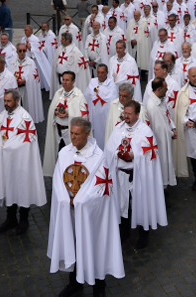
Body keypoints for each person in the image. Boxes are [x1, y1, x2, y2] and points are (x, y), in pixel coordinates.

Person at [47, 117, 124, 297]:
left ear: (87, 135)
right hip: (70, 212)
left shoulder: (99, 157)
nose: (73, 137)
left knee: (94, 246)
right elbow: (58, 180)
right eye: (71, 133)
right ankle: (75, 283)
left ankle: (99, 288)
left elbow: (102, 187)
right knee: (74, 243)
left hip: (91, 215)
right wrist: (65, 199)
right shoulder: (65, 153)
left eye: (77, 134)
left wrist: (80, 201)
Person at [104, 100, 168, 249]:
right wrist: (117, 153)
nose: (126, 116)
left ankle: (143, 234)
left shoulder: (145, 132)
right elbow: (109, 149)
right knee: (123, 205)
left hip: (138, 176)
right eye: (125, 113)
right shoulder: (119, 128)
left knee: (141, 204)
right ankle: (124, 232)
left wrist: (134, 155)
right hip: (121, 176)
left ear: (138, 115)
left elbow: (151, 153)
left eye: (129, 114)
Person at [0, 89, 47, 236]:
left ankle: (23, 220)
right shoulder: (3, 115)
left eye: (9, 101)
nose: (6, 104)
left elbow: (27, 140)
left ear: (17, 100)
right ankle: (11, 218)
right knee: (9, 186)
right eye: (5, 101)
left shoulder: (25, 118)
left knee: (21, 187)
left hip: (21, 161)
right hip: (5, 159)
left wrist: (7, 147)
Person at [42, 71, 89, 177]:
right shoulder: (58, 93)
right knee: (59, 155)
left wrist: (69, 115)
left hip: (70, 133)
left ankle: (72, 178)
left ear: (73, 81)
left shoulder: (79, 96)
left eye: (67, 80)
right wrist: (55, 112)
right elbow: (52, 109)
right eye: (63, 79)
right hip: (58, 131)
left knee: (71, 157)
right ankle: (60, 177)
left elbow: (84, 117)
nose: (64, 82)